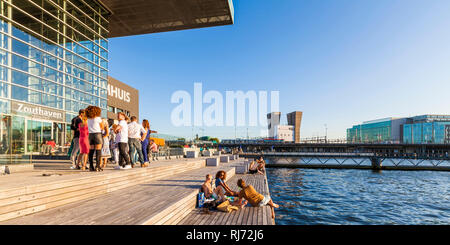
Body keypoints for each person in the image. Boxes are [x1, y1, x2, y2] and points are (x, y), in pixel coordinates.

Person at [85, 106, 104, 171]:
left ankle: (91, 166)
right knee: (98, 151)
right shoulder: (98, 118)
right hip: (97, 134)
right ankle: (97, 166)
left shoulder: (88, 119)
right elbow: (102, 127)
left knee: (91, 152)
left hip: (90, 135)